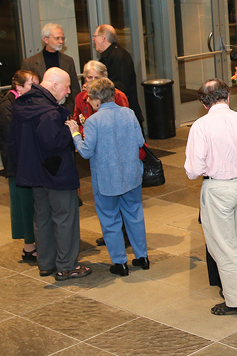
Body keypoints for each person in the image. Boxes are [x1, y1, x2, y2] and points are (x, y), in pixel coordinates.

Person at [184, 79, 237, 315]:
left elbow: (192, 171)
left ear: (203, 102)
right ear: (228, 97)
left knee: (223, 247)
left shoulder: (201, 126)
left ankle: (236, 301)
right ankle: (234, 289)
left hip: (217, 188)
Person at [10, 67, 91, 281]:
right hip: (56, 174)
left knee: (43, 218)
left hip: (35, 173)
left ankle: (46, 262)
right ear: (54, 85)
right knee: (65, 218)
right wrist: (71, 129)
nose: (68, 92)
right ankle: (66, 266)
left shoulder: (25, 104)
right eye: (66, 87)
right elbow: (53, 141)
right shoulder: (49, 111)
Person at [65, 78, 149, 276]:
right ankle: (142, 257)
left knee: (110, 221)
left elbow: (85, 152)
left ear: (96, 100)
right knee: (135, 216)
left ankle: (120, 264)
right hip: (132, 176)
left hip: (106, 180)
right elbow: (140, 141)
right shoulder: (129, 114)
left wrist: (76, 134)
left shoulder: (94, 121)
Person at [0, 70, 40, 262]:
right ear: (19, 87)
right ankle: (29, 247)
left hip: (26, 162)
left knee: (30, 204)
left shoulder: (22, 102)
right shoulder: (8, 106)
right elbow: (13, 136)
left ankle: (32, 244)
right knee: (23, 206)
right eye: (33, 85)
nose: (37, 88)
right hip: (17, 164)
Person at [20, 23, 81, 115]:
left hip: (65, 109)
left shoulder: (68, 61)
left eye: (62, 38)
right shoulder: (30, 63)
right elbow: (27, 92)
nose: (61, 41)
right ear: (46, 39)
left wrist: (76, 111)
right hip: (41, 111)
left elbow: (75, 88)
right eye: (57, 38)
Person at [92, 24, 144, 126]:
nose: (93, 40)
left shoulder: (118, 56)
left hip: (124, 114)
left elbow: (120, 86)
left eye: (95, 36)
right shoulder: (110, 56)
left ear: (103, 38)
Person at [73, 61, 130, 134]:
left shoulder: (117, 95)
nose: (93, 81)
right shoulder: (80, 97)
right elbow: (77, 122)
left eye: (97, 77)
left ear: (104, 78)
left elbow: (124, 122)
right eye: (89, 77)